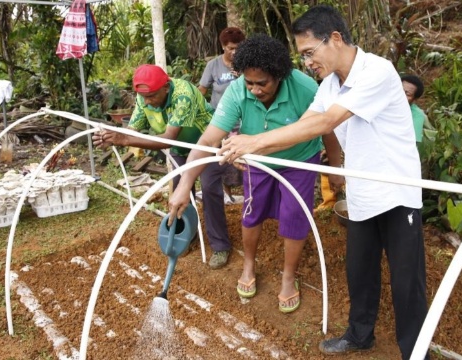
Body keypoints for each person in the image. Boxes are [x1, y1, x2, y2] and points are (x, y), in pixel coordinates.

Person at [217, 6, 429, 359]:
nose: (307, 63)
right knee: (360, 272)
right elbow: (305, 122)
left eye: (309, 53)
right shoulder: (330, 84)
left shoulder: (376, 71)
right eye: (303, 56)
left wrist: (252, 142)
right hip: (361, 191)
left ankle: (416, 351)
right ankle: (360, 336)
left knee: (407, 281)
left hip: (396, 193)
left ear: (334, 38)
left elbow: (326, 122)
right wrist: (253, 149)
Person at [167, 34, 342, 314]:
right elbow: (208, 140)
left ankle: (288, 277)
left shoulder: (305, 87)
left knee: (294, 218)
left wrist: (335, 167)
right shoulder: (238, 91)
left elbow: (327, 129)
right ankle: (249, 264)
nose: (255, 90)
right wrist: (185, 183)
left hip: (298, 160)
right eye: (250, 83)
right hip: (256, 162)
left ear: (280, 76)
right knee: (252, 213)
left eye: (263, 83)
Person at [92, 64, 233, 270]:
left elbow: (168, 139)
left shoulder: (183, 94)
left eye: (152, 96)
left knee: (210, 189)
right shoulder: (144, 96)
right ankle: (187, 235)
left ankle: (220, 245)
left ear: (166, 87)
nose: (147, 101)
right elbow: (133, 130)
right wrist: (114, 139)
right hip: (181, 149)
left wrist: (124, 139)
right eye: (144, 97)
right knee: (180, 193)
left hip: (206, 144)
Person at [198, 27, 246, 205]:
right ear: (223, 46)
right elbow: (202, 90)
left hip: (243, 121)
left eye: (238, 48)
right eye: (230, 48)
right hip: (220, 122)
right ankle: (226, 195)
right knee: (221, 158)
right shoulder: (213, 65)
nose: (234, 52)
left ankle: (247, 191)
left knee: (242, 158)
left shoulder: (246, 64)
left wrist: (242, 75)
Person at [401, 74, 427, 143]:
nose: (401, 95)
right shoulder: (381, 104)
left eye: (407, 94)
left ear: (414, 99)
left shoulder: (417, 115)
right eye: (400, 90)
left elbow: (411, 143)